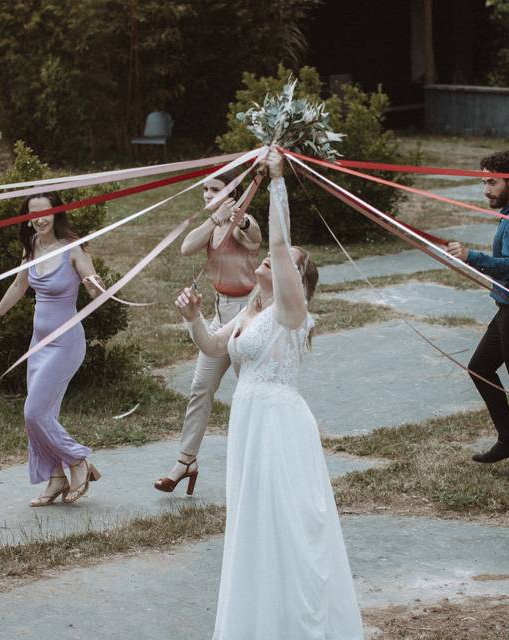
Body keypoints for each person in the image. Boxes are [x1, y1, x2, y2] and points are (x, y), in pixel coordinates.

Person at [175, 149, 363, 639]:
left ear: (295, 281)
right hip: (249, 421)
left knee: (290, 523)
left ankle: (302, 621)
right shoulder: (251, 312)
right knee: (254, 524)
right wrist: (195, 317)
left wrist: (277, 182)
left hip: (280, 424)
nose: (275, 261)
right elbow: (215, 346)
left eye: (287, 264)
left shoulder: (290, 313)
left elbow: (279, 246)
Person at [0, 193, 104, 506]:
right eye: (34, 215)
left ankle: (77, 461)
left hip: (66, 343)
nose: (40, 219)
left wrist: (95, 284)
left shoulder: (73, 248)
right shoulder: (31, 246)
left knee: (33, 412)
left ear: (56, 213)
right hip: (39, 344)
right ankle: (56, 477)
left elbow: (91, 281)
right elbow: (19, 285)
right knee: (42, 414)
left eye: (45, 213)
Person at [154, 168, 262, 494]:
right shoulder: (212, 226)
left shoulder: (243, 222)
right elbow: (187, 246)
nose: (206, 195)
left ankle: (260, 465)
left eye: (214, 189)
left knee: (253, 393)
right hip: (219, 311)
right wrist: (216, 218)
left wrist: (237, 218)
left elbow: (254, 236)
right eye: (204, 190)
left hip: (249, 314)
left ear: (232, 193)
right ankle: (186, 461)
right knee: (200, 387)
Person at [446, 151, 509, 475]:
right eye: (483, 182)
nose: (486, 189)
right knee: (480, 367)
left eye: (491, 181)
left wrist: (471, 256)